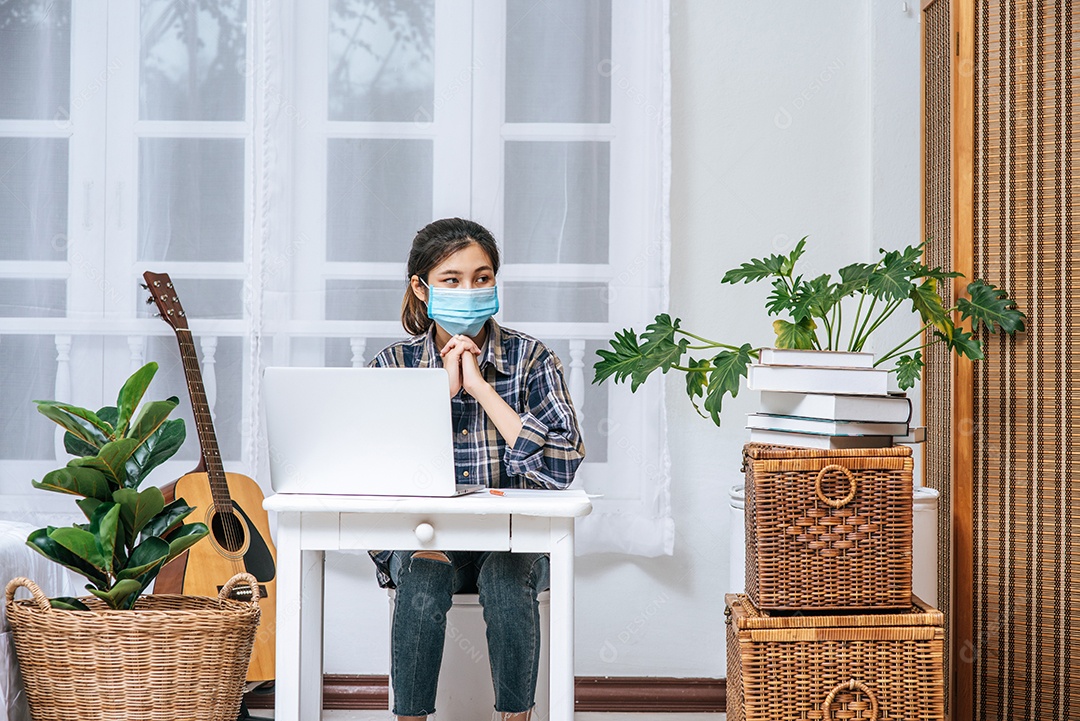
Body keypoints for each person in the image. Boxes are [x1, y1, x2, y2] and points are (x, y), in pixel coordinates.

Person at [369, 218, 586, 721]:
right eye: (452, 279)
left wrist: (482, 389)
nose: (469, 289)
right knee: (424, 572)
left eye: (482, 277)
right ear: (420, 289)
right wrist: (440, 390)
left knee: (507, 578)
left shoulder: (533, 360)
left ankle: (516, 717)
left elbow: (563, 466)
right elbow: (374, 471)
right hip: (425, 539)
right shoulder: (392, 365)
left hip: (513, 541)